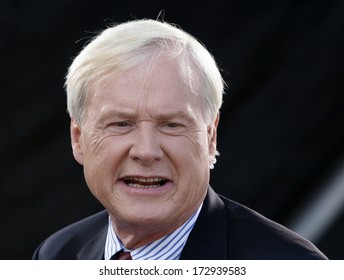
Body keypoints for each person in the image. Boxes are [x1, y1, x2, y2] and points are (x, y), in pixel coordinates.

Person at [33, 19, 327, 260]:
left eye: (171, 125)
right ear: (78, 139)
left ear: (210, 137)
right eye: (121, 124)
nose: (146, 151)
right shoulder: (55, 256)